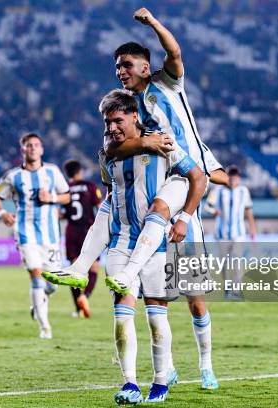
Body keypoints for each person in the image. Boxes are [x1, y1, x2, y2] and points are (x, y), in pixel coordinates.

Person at [43, 8, 224, 389]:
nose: (121, 71)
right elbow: (113, 149)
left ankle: (206, 365)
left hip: (186, 182)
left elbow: (174, 54)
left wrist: (154, 23)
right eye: (117, 68)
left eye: (126, 64)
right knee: (154, 301)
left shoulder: (166, 84)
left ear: (145, 66)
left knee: (195, 296)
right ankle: (161, 370)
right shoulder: (130, 111)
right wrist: (141, 141)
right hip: (164, 193)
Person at [97, 89, 207, 404]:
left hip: (155, 243)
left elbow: (198, 178)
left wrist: (184, 217)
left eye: (117, 120)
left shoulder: (163, 145)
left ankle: (160, 382)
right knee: (121, 314)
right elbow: (110, 189)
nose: (112, 128)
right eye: (107, 123)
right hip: (121, 241)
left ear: (134, 116)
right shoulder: (108, 152)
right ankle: (129, 384)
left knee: (157, 317)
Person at [0, 133, 70, 339]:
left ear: (42, 149)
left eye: (36, 145)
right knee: (36, 275)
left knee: (53, 282)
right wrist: (3, 213)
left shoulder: (52, 172)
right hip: (25, 232)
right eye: (29, 145)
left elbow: (67, 196)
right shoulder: (13, 176)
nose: (33, 148)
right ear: (23, 150)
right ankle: (45, 328)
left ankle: (38, 303)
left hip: (50, 235)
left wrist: (51, 197)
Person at [205, 165, 257, 298]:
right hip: (222, 234)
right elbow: (207, 206)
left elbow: (248, 210)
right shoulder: (218, 190)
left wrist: (252, 228)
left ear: (239, 178)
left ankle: (236, 289)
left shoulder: (243, 191)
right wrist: (214, 211)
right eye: (231, 176)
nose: (234, 179)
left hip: (238, 233)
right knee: (223, 263)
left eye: (236, 176)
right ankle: (227, 286)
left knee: (237, 261)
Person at [62, 159, 103, 318]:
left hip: (71, 231)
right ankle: (84, 297)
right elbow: (100, 208)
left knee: (74, 270)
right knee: (93, 268)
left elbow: (62, 212)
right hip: (88, 231)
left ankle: (78, 309)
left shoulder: (65, 189)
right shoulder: (90, 186)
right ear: (80, 171)